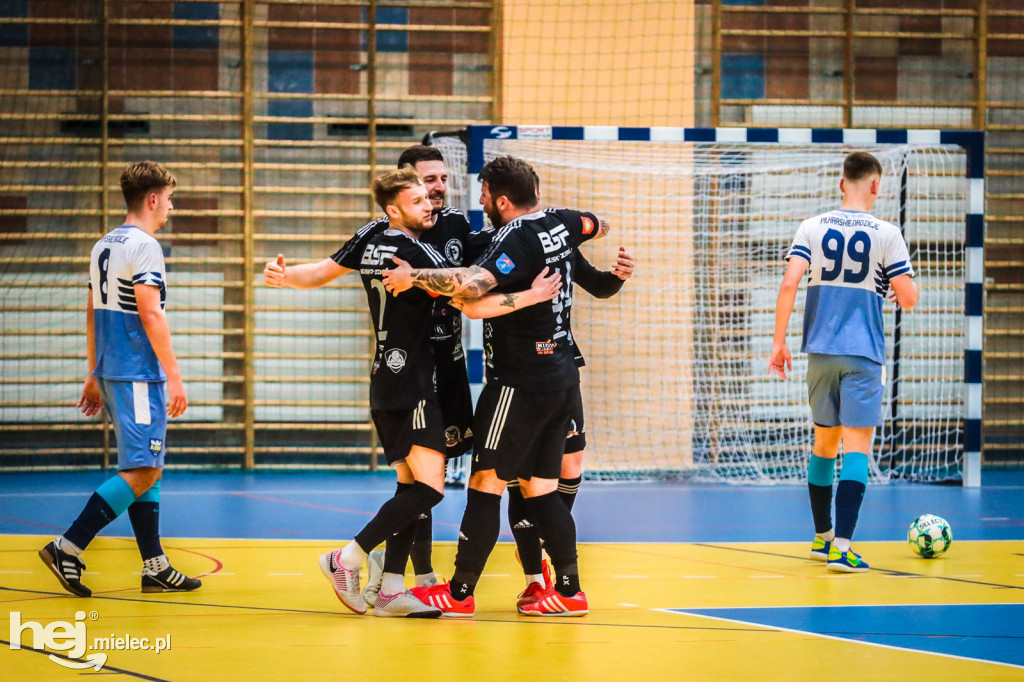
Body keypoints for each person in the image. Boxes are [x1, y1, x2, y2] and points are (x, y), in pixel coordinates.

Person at [383, 155, 610, 617]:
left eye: (484, 193)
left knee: (486, 483)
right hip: (562, 377)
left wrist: (414, 277)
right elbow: (598, 224)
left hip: (519, 382)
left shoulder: (515, 236)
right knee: (541, 488)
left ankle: (460, 594)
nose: (479, 200)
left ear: (503, 200)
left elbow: (470, 289)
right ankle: (568, 590)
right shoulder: (562, 222)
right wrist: (584, 236)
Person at [264, 146, 479, 598]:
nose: (430, 202)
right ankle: (349, 557)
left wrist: (285, 276)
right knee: (430, 488)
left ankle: (390, 590)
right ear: (394, 208)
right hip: (415, 378)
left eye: (431, 193)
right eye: (420, 198)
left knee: (410, 484)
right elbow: (467, 289)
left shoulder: (373, 235)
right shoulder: (409, 248)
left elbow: (322, 271)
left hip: (386, 374)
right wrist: (423, 277)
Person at [38, 161, 201, 596]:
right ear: (152, 199)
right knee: (144, 469)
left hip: (112, 370)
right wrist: (175, 377)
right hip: (137, 374)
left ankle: (155, 566)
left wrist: (93, 372)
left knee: (149, 466)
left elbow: (91, 311)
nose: (170, 207)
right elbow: (150, 312)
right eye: (168, 199)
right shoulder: (145, 245)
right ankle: (68, 546)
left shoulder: (103, 244)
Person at [456, 247, 635, 610]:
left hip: (559, 370)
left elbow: (597, 284)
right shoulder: (490, 242)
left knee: (565, 470)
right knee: (519, 480)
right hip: (517, 377)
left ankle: (558, 567)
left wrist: (616, 276)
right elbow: (468, 298)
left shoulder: (553, 238)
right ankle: (536, 580)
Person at [768, 151, 918, 573]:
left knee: (823, 445)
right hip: (863, 354)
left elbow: (789, 282)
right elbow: (908, 297)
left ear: (841, 184)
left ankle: (822, 538)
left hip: (820, 353)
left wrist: (779, 343)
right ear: (875, 186)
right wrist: (894, 283)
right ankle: (844, 547)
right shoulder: (887, 233)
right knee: (857, 449)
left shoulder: (811, 226)